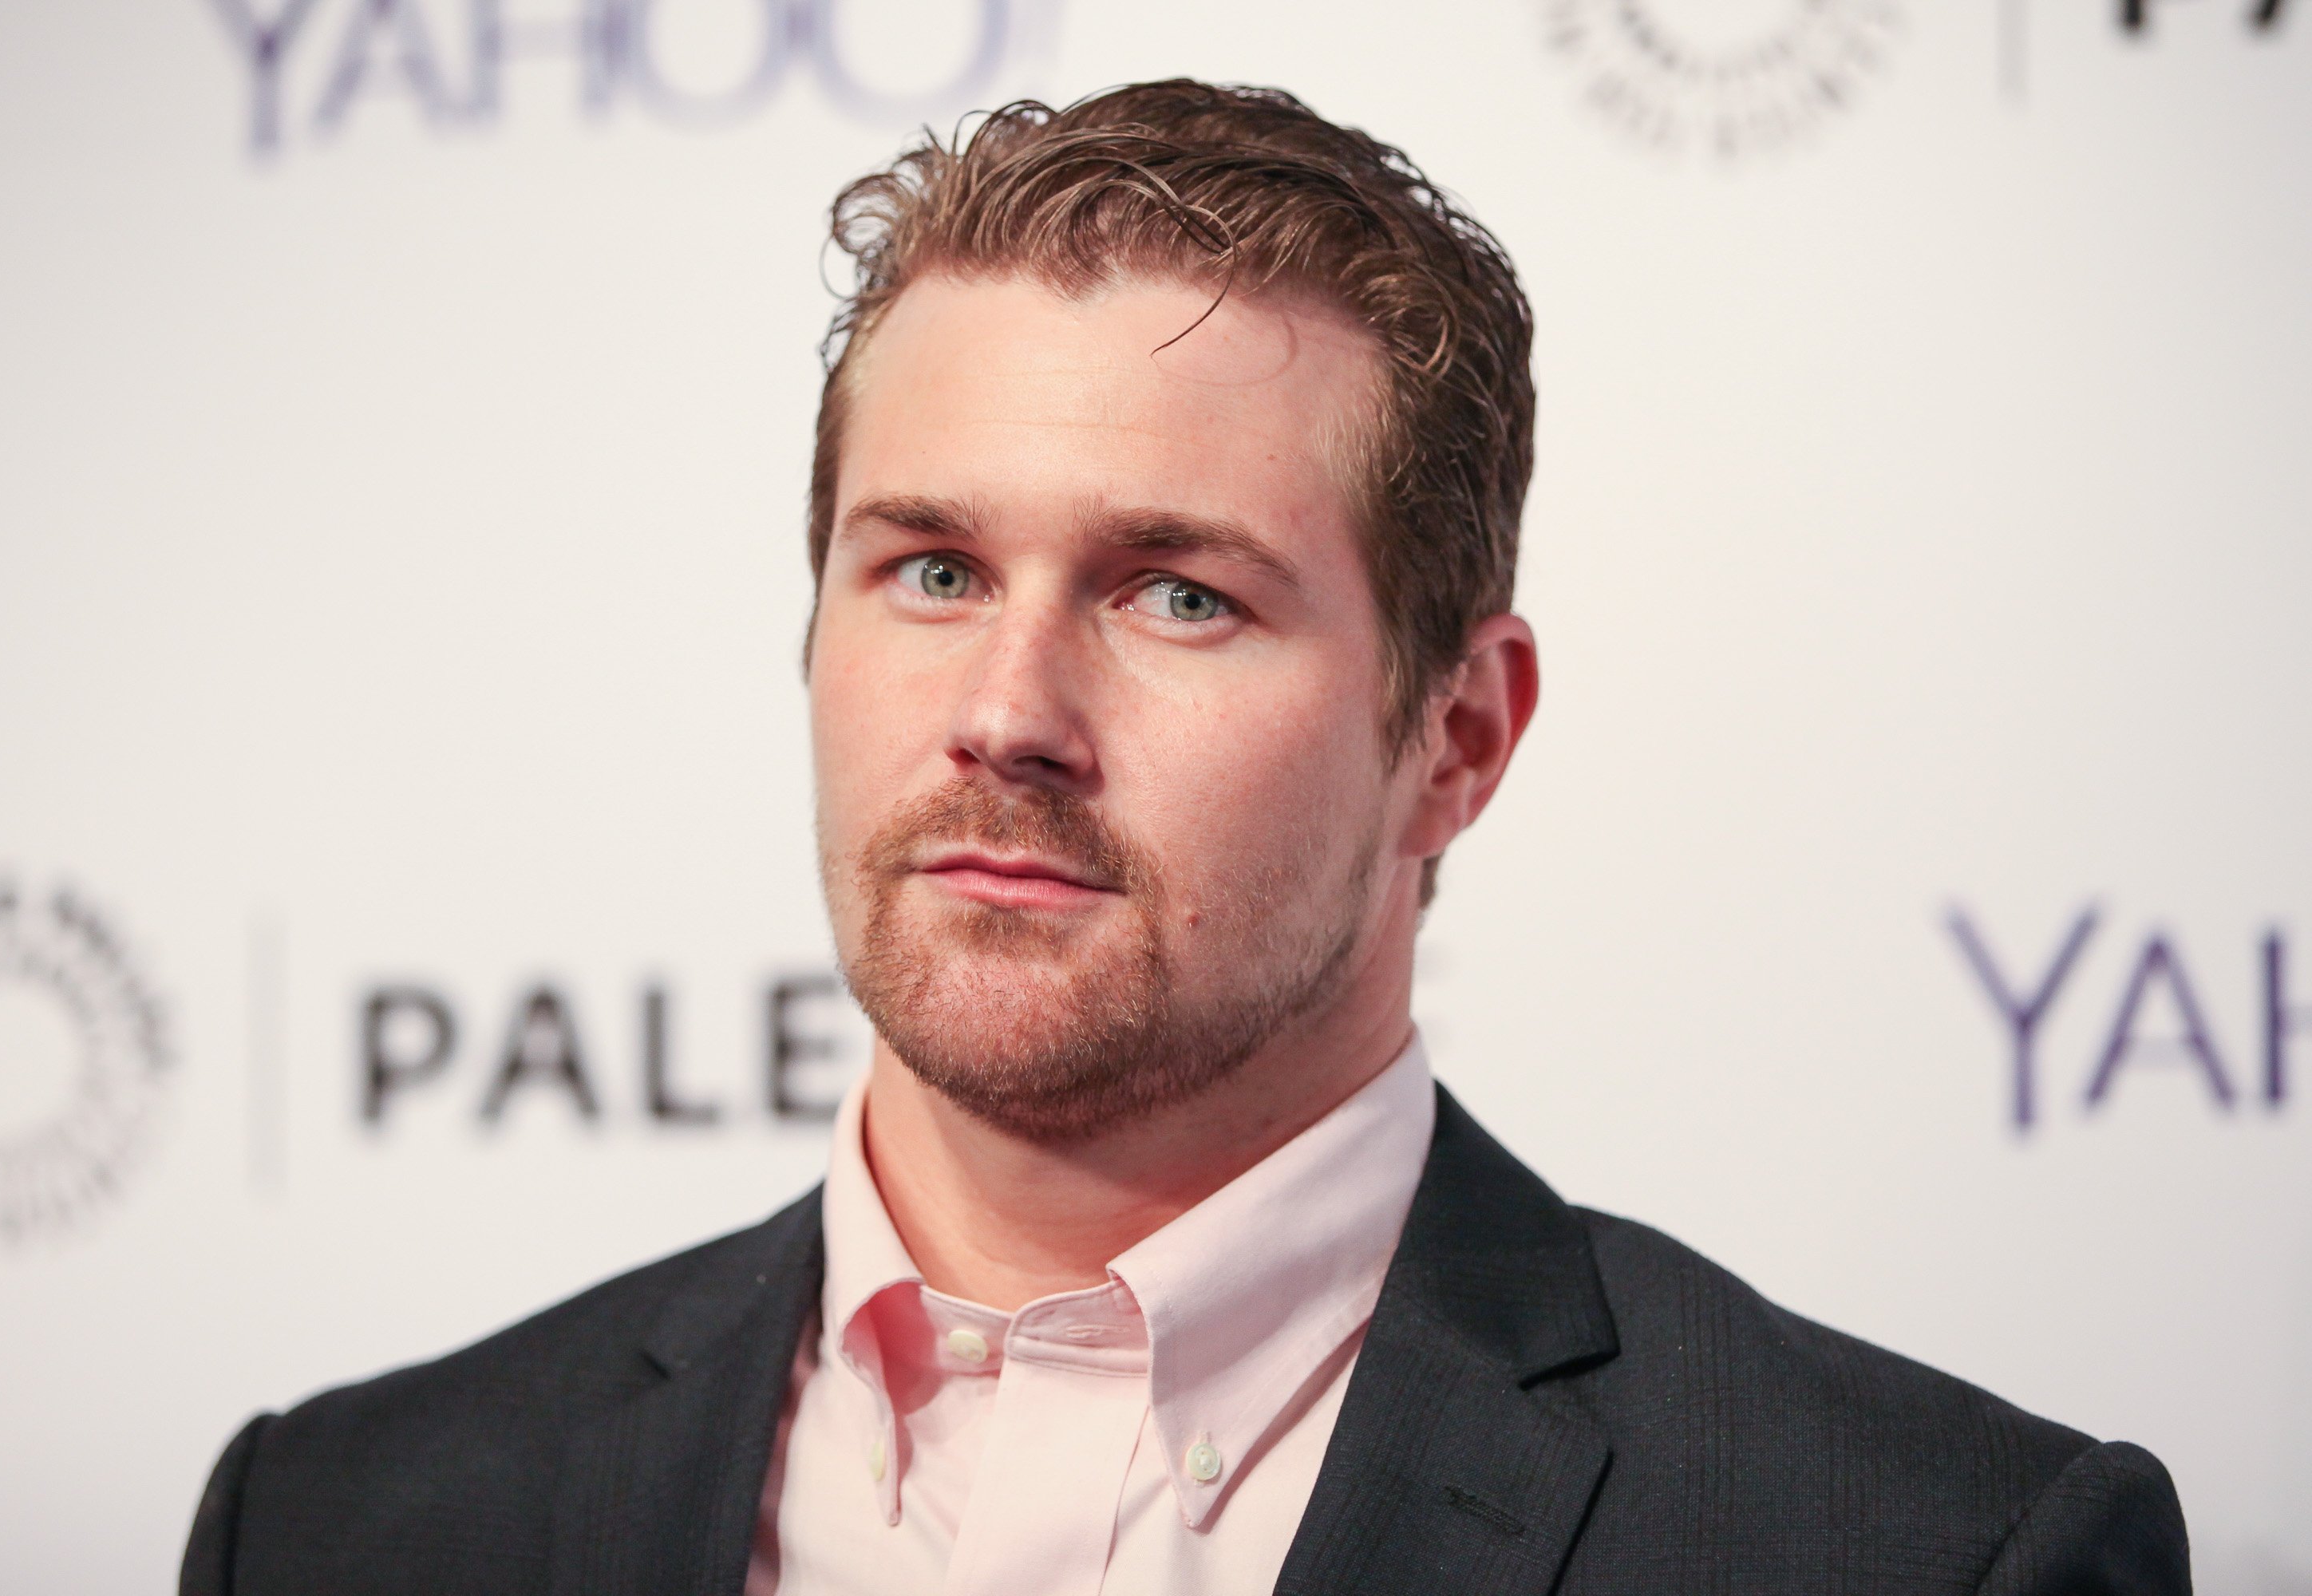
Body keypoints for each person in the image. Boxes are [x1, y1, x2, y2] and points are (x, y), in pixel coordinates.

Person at [182, 81, 2189, 1595]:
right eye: (934, 567)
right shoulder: (344, 1523)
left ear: (1458, 738)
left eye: (1180, 595)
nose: (1006, 715)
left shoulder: (1932, 1552)